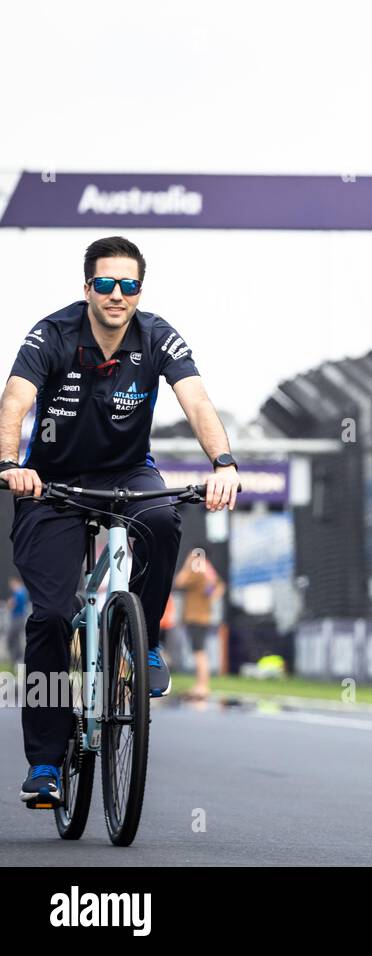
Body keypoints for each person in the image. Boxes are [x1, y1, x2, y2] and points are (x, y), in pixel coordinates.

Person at [0, 236, 240, 809]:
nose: (117, 295)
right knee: (53, 616)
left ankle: (145, 640)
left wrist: (224, 462)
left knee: (162, 518)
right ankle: (44, 763)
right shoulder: (52, 334)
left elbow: (199, 403)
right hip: (51, 483)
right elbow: (13, 402)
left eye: (129, 285)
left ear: (139, 291)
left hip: (128, 475)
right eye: (105, 284)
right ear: (87, 289)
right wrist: (12, 465)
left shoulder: (156, 335)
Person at [172, 548, 225, 700]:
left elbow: (179, 581)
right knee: (200, 652)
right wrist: (210, 599)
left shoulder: (197, 571)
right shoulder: (208, 572)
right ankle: (202, 685)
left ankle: (203, 686)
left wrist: (188, 564)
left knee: (199, 652)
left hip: (195, 617)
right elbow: (220, 586)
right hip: (203, 616)